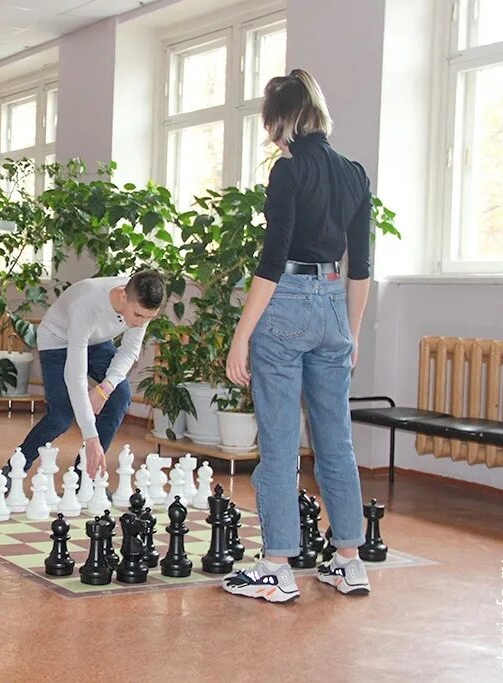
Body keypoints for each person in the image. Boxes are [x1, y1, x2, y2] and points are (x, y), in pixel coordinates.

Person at [221, 69, 373, 603]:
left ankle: (277, 566)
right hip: (334, 307)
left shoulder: (288, 171)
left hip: (286, 303)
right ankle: (349, 561)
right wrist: (352, 333)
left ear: (281, 120)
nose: (270, 136)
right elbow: (361, 267)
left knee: (281, 443)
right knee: (337, 442)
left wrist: (242, 336)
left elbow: (272, 260)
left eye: (269, 124)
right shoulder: (355, 174)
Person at [2, 271, 166, 480]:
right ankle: (13, 469)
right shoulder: (86, 303)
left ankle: (85, 478)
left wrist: (105, 388)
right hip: (56, 341)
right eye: (138, 316)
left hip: (96, 341)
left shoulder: (141, 299)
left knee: (120, 395)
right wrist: (91, 436)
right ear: (123, 296)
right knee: (61, 417)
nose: (141, 323)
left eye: (148, 318)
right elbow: (76, 375)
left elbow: (129, 351)